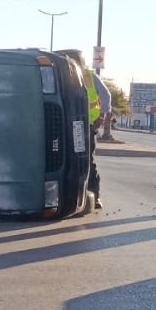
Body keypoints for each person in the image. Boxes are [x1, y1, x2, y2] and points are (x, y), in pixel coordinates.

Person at [58, 49, 103, 210]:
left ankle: (94, 196)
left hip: (84, 127)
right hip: (65, 128)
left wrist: (101, 118)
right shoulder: (60, 76)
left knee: (86, 161)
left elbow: (106, 97)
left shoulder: (89, 77)